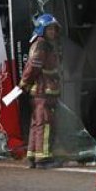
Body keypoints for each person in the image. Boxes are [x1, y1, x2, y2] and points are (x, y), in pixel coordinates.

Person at [17, 13, 61, 169]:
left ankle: (33, 155)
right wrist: (24, 83)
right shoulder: (42, 45)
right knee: (45, 124)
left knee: (37, 124)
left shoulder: (42, 44)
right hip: (44, 91)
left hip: (42, 92)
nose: (53, 33)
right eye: (49, 29)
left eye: (54, 30)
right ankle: (44, 159)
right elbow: (33, 66)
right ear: (42, 29)